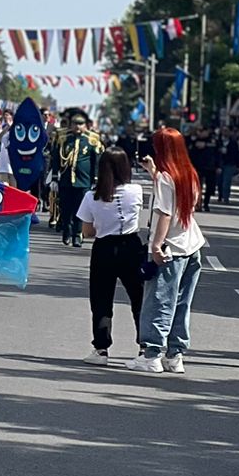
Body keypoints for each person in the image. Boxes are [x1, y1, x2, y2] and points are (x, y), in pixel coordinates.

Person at [127, 128, 205, 374]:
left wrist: (155, 246)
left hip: (170, 247)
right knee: (182, 303)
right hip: (192, 245)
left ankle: (151, 354)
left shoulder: (165, 177)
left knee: (159, 301)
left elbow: (164, 213)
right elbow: (178, 204)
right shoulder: (188, 173)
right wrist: (153, 173)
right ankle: (175, 354)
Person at [77, 149, 145, 366]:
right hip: (131, 245)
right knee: (139, 297)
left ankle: (101, 348)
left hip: (104, 247)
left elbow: (87, 231)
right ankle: (145, 346)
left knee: (101, 299)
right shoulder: (136, 190)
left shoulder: (92, 196)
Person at [52, 107, 101, 246]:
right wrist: (55, 177)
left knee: (81, 209)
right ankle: (66, 231)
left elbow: (95, 161)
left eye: (81, 124)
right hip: (66, 180)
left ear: (85, 125)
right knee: (66, 208)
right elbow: (56, 158)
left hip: (83, 180)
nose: (78, 126)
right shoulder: (63, 138)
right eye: (75, 123)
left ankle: (77, 235)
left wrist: (95, 179)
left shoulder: (91, 140)